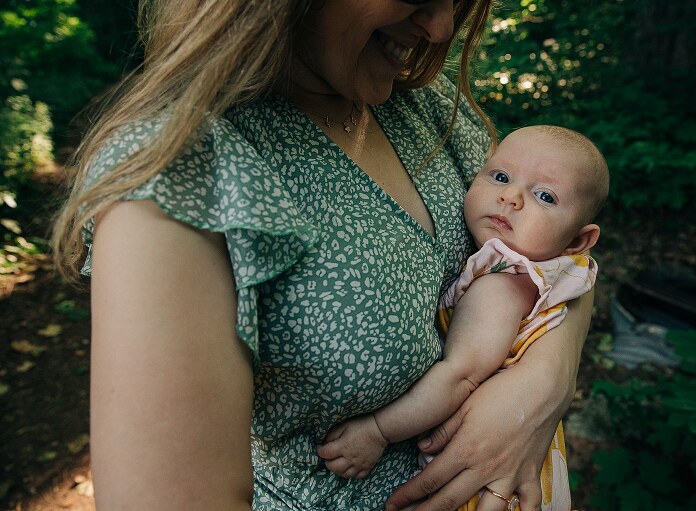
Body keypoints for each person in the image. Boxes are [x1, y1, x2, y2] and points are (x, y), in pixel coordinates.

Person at [51, 1, 596, 510]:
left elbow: (554, 259)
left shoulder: (427, 113)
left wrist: (546, 380)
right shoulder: (183, 172)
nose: (441, 27)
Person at [317, 125, 608, 511]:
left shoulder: (502, 286)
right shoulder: (548, 277)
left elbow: (459, 377)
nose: (510, 197)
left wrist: (378, 430)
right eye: (501, 177)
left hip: (481, 483)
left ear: (576, 241)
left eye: (544, 196)